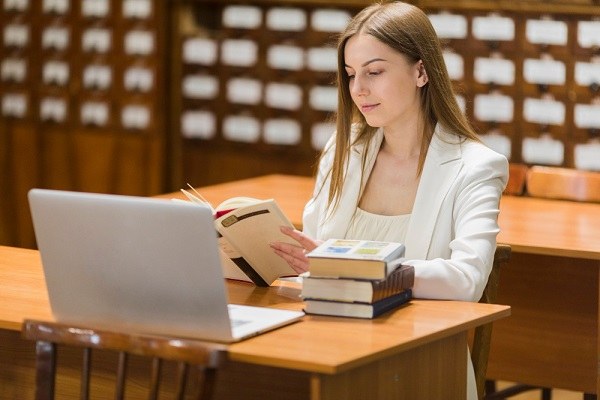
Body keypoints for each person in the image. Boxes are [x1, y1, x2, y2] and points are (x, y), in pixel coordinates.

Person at [269, 2, 508, 398]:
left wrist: (368, 268)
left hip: (420, 360)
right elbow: (312, 261)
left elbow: (467, 280)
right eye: (350, 75)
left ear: (421, 71)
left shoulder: (476, 166)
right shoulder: (343, 150)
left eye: (374, 72)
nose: (359, 89)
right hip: (326, 345)